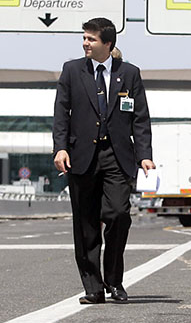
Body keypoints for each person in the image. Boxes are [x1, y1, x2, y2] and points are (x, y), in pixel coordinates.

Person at [52, 17, 154, 304]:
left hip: (117, 156)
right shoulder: (72, 71)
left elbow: (140, 118)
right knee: (85, 224)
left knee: (119, 215)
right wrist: (60, 148)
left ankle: (115, 280)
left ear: (107, 44)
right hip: (81, 157)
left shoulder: (129, 74)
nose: (85, 43)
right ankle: (93, 287)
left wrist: (144, 154)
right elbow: (61, 113)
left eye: (91, 39)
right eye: (84, 38)